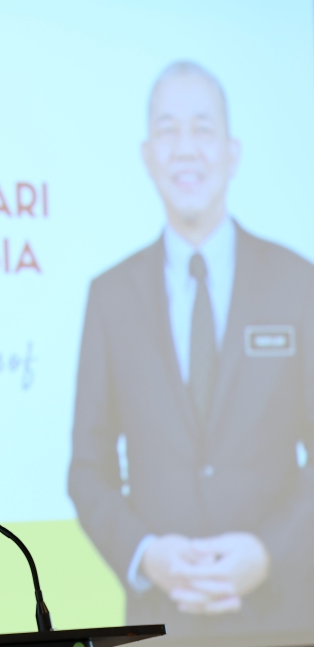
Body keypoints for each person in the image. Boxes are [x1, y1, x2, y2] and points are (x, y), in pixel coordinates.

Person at [68, 61, 314, 641]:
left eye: (202, 129)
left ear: (232, 151)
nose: (186, 149)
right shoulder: (110, 296)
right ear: (147, 153)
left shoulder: (297, 283)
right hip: (160, 626)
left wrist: (269, 552)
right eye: (168, 130)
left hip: (283, 620)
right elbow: (87, 468)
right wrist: (146, 553)